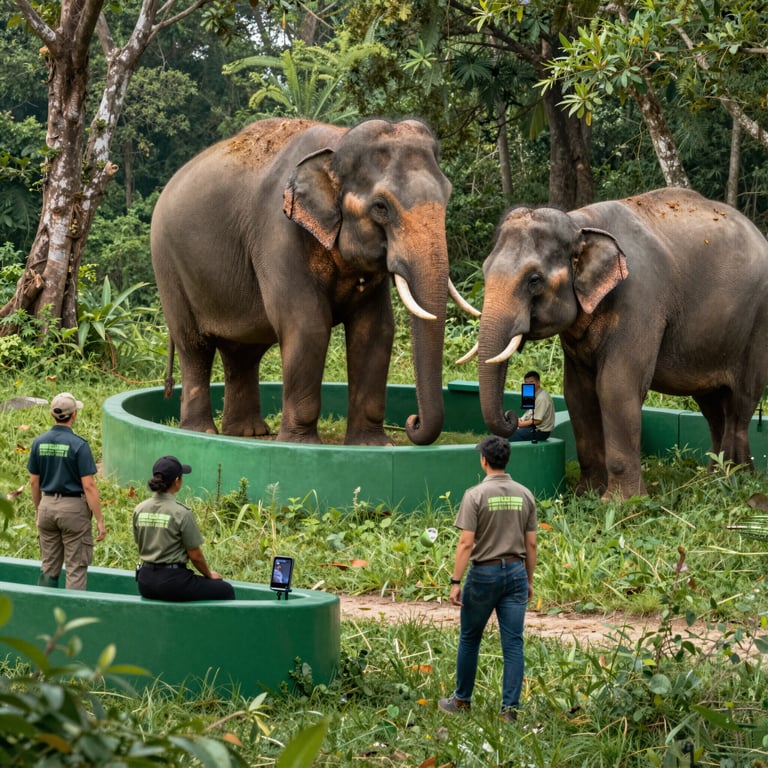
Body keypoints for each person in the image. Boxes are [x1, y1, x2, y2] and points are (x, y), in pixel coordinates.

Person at [438, 435, 537, 723]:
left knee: (470, 638)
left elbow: (466, 543)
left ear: (484, 460)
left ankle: (462, 700)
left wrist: (455, 581)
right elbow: (531, 544)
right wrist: (528, 580)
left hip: (483, 574)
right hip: (517, 572)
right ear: (506, 460)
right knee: (513, 643)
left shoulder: (475, 495)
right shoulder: (524, 494)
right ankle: (509, 710)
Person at [27, 392, 106, 590]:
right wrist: (99, 519)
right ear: (74, 415)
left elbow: (34, 482)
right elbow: (88, 485)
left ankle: (44, 611)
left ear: (52, 414)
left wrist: (38, 509)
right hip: (73, 510)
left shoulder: (39, 442)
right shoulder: (79, 444)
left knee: (48, 567)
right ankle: (72, 615)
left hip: (46, 505)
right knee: (76, 567)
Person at [133, 456, 235, 601]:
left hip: (145, 581)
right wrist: (209, 574)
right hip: (173, 582)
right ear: (177, 481)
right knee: (225, 590)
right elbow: (195, 555)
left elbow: (139, 542)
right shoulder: (181, 512)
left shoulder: (140, 509)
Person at [511, 371, 555, 442]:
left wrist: (521, 424)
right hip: (531, 427)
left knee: (512, 435)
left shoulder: (542, 398)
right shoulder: (530, 393)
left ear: (538, 383)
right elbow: (530, 413)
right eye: (526, 382)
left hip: (541, 431)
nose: (528, 385)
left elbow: (538, 421)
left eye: (531, 382)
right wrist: (520, 420)